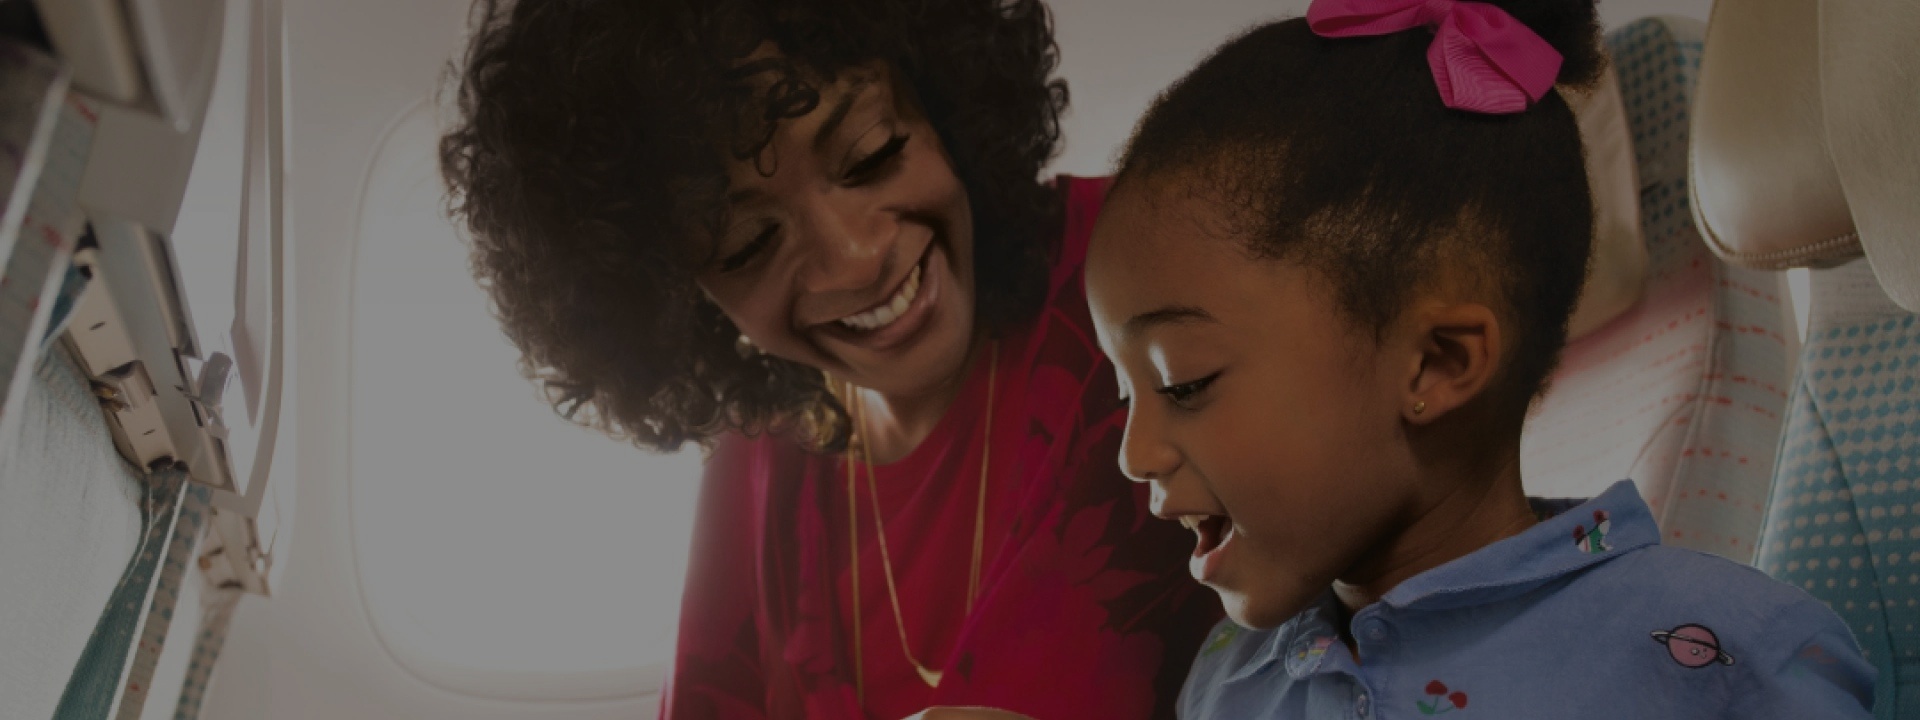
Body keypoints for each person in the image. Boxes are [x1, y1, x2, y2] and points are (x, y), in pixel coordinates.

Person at [1081, 0, 1879, 717]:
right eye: (1128, 396)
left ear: (1436, 364)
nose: (1134, 453)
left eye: (1184, 382)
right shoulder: (1227, 682)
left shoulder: (1725, 660)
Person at [436, 1, 1220, 718]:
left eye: (871, 154)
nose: (853, 259)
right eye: (748, 244)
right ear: (681, 295)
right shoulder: (756, 461)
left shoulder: (1154, 267)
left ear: (940, 101)